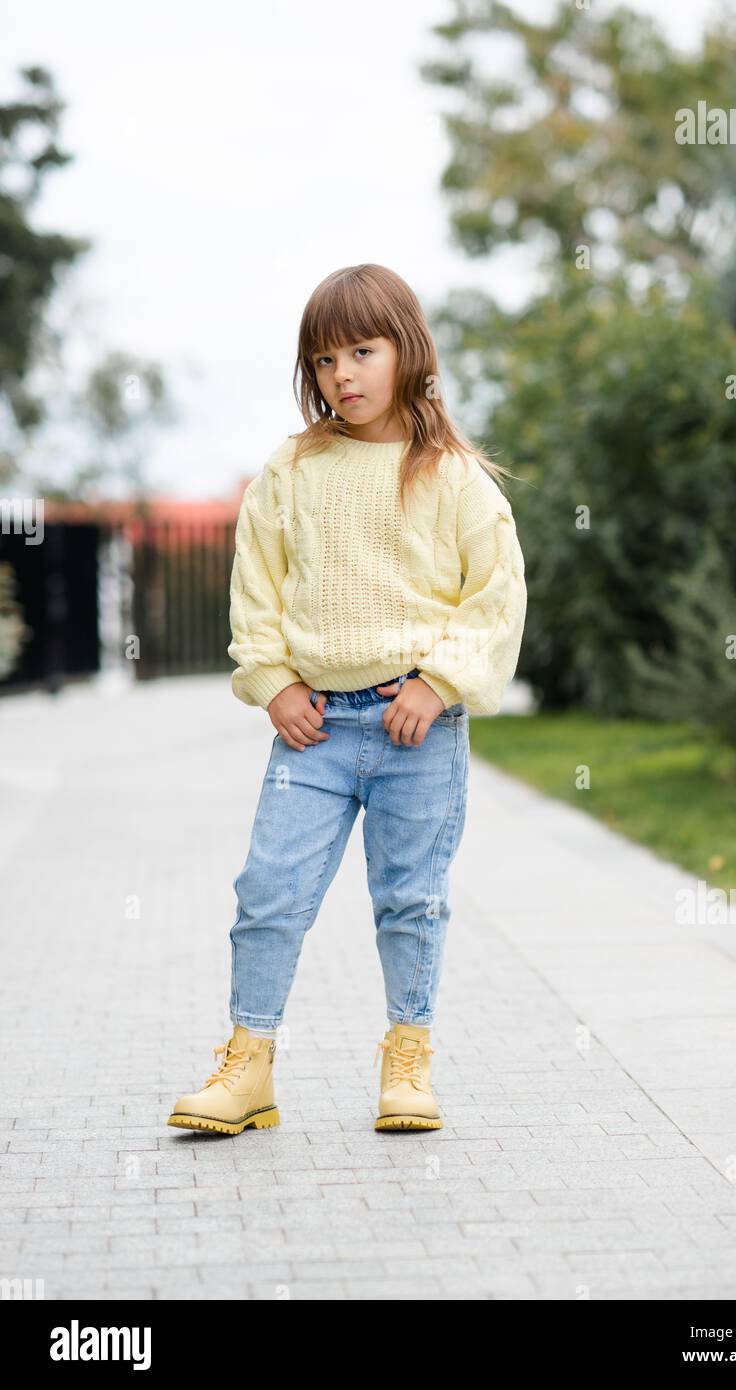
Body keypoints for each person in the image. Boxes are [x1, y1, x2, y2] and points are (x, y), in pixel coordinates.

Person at [167, 263, 527, 1136]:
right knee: (268, 891)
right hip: (314, 732)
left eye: (362, 351)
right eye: (324, 360)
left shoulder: (452, 477)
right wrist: (274, 682)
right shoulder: (292, 470)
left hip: (417, 734)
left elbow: (495, 594)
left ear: (408, 352)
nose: (344, 375)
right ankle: (248, 1065)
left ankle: (407, 1058)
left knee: (411, 898)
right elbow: (258, 585)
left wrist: (440, 683)